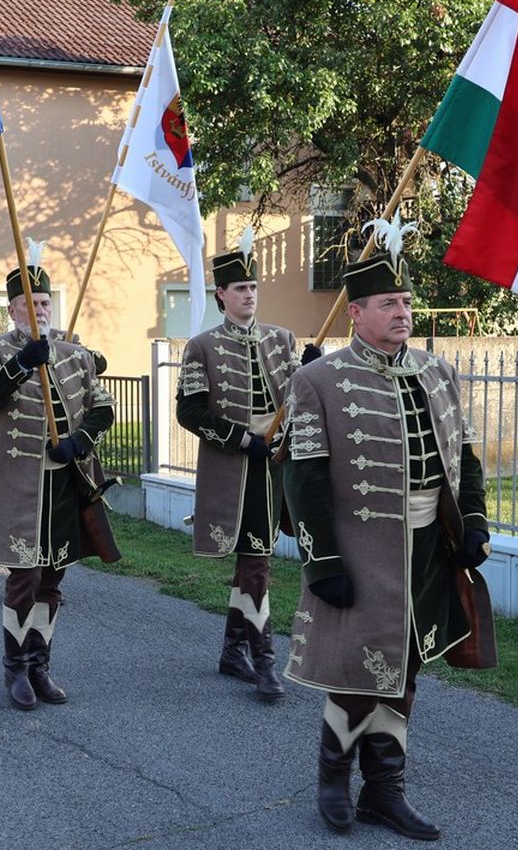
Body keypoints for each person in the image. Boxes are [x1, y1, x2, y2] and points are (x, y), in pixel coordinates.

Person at [282, 229, 494, 839]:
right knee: (358, 669)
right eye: (388, 305)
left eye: (406, 303)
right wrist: (321, 559)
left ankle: (385, 790)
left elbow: (465, 457)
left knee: (406, 668)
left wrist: (473, 519)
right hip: (360, 548)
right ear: (356, 313)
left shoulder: (438, 371)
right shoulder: (319, 380)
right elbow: (304, 476)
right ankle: (332, 777)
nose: (402, 313)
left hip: (429, 547)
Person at [0, 261, 117, 710]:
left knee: (53, 578)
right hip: (17, 485)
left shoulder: (74, 354)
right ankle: (14, 669)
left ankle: (39, 665)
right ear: (13, 310)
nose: (41, 310)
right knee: (24, 576)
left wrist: (79, 441)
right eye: (31, 304)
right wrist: (19, 365)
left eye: (46, 302)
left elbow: (102, 407)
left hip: (66, 484)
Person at [175, 229, 301, 701]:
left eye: (254, 288)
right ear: (221, 295)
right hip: (236, 470)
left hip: (277, 469)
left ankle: (233, 650)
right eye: (240, 289)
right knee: (257, 567)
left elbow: (302, 401)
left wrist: (311, 365)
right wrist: (239, 439)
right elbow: (188, 411)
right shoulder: (201, 347)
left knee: (254, 564)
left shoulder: (282, 339)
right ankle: (265, 661)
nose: (249, 294)